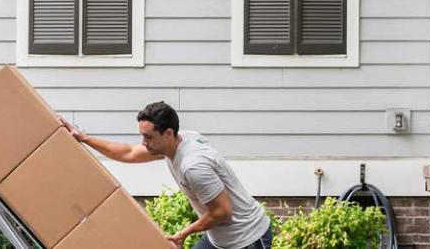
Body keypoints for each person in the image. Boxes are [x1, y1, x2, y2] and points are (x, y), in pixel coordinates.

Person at [59, 101, 273, 249]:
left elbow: (222, 212)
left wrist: (182, 233)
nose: (144, 143)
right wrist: (84, 139)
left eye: (149, 137)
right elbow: (129, 152)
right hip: (222, 240)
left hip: (248, 239)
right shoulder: (177, 143)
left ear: (168, 133)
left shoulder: (193, 166)